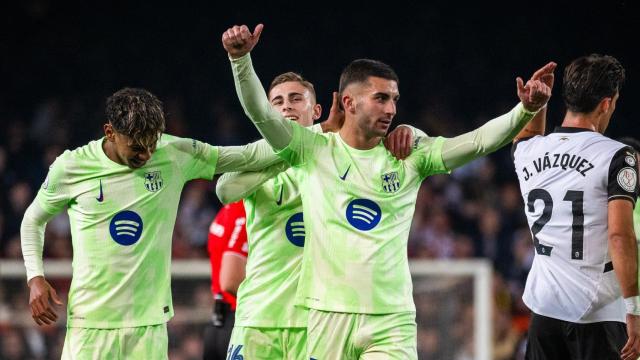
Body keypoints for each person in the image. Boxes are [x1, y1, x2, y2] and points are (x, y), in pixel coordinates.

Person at [222, 23, 552, 359]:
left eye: (394, 99)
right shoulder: (313, 149)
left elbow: (477, 141)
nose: (391, 109)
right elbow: (262, 116)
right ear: (348, 103)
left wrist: (523, 110)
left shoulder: (411, 154)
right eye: (380, 98)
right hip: (325, 317)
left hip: (392, 319)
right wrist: (240, 60)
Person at [20, 87, 285, 359]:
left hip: (148, 326)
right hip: (90, 324)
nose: (146, 154)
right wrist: (35, 278)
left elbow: (248, 155)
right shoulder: (71, 166)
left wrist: (313, 134)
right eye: (136, 146)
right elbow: (33, 219)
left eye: (152, 144)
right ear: (110, 132)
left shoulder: (174, 153)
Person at [216, 71, 420, 359]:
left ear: (316, 109)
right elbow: (225, 189)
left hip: (316, 323)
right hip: (258, 318)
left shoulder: (335, 162)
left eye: (296, 99)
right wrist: (300, 144)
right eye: (277, 102)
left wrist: (409, 131)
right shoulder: (262, 165)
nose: (286, 106)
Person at [511, 54, 639, 360]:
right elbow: (620, 236)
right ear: (607, 103)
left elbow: (526, 135)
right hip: (598, 312)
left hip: (544, 310)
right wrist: (634, 308)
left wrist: (536, 103)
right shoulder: (619, 156)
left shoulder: (527, 152)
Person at [203, 200, 248, 360]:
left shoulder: (226, 210)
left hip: (217, 324)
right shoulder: (245, 212)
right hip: (237, 322)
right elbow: (230, 280)